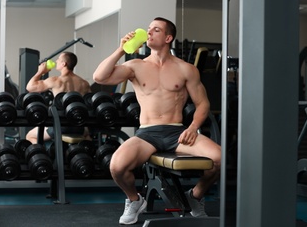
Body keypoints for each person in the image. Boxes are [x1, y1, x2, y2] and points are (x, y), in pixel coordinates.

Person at [93, 17, 221, 225]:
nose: (149, 33)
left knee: (219, 159)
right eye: (148, 29)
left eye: (156, 30)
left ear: (168, 37)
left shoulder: (186, 69)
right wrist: (120, 50)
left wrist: (193, 127)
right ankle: (134, 200)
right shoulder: (135, 66)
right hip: (147, 134)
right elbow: (99, 77)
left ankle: (195, 196)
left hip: (177, 133)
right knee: (116, 166)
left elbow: (203, 104)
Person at [26, 51, 92, 144]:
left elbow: (30, 87)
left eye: (58, 59)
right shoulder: (84, 83)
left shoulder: (56, 80)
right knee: (87, 136)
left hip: (61, 126)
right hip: (79, 126)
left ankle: (42, 157)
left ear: (64, 64)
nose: (56, 61)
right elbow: (89, 105)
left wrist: (40, 72)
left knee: (30, 135)